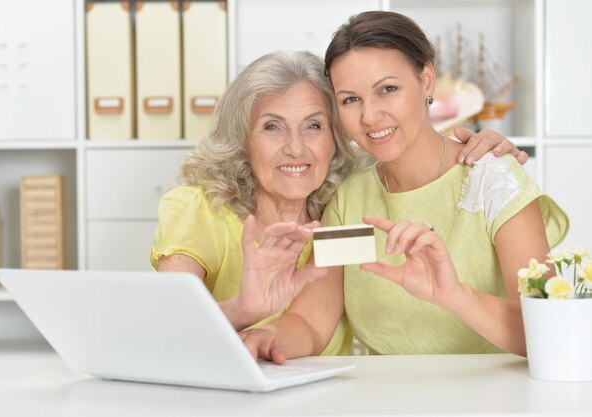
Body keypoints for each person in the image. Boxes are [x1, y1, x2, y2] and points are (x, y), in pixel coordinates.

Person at [150, 49, 526, 356]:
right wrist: (247, 315)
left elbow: (312, 319)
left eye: (314, 125)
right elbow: (162, 331)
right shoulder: (200, 208)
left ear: (335, 137)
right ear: (241, 138)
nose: (295, 148)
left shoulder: (343, 204)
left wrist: (489, 154)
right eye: (272, 126)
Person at [240, 12, 568, 362]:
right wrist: (268, 337)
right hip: (383, 396)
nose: (369, 116)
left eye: (388, 89)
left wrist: (455, 295)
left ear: (427, 80)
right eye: (350, 99)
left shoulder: (493, 179)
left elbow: (550, 329)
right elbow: (311, 319)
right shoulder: (350, 198)